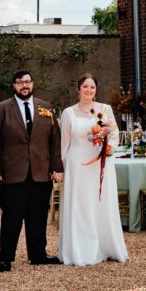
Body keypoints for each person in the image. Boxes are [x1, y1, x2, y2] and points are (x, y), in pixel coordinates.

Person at [0, 70, 63, 272]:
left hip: (41, 172)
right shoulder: (1, 109)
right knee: (12, 217)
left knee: (38, 215)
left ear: (33, 83)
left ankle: (38, 254)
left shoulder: (46, 107)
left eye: (27, 81)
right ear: (14, 86)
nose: (24, 86)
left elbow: (55, 140)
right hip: (12, 173)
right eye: (20, 82)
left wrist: (57, 167)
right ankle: (5, 258)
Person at [58, 73, 129, 266]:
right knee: (80, 205)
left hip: (100, 163)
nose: (89, 90)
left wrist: (110, 146)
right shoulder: (68, 113)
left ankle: (105, 245)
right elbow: (64, 144)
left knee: (101, 203)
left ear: (96, 90)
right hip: (77, 164)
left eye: (92, 87)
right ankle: (80, 250)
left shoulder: (104, 109)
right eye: (85, 87)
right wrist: (61, 168)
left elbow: (113, 133)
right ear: (78, 89)